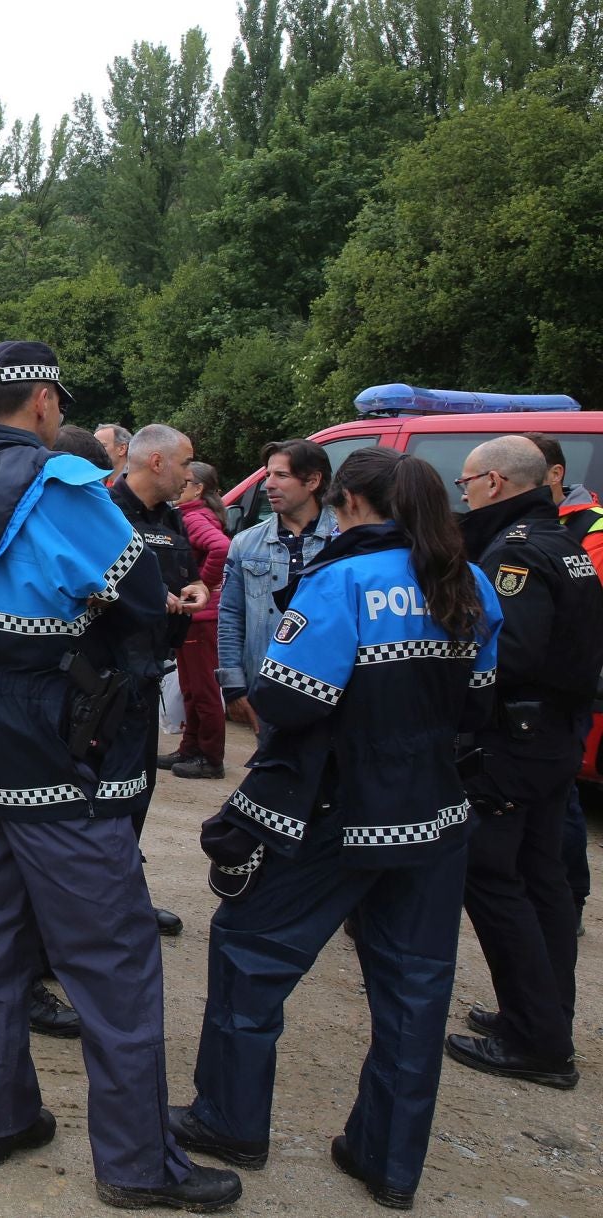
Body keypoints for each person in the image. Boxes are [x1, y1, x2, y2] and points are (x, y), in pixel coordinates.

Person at [0, 340, 240, 1213]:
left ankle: (1, 1116)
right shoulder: (61, 487)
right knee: (112, 955)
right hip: (55, 737)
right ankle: (140, 1163)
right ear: (45, 403)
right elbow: (139, 596)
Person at [174, 446, 501, 1211]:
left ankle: (230, 1121)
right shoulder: (471, 582)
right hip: (436, 819)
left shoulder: (341, 581)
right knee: (415, 992)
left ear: (348, 502)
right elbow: (480, 704)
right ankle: (388, 1161)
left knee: (251, 956)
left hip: (335, 815)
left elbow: (289, 702)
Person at [449, 436, 603, 1090]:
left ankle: (537, 1041)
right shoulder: (565, 544)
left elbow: (507, 654)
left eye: (465, 483)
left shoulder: (514, 552)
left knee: (491, 875)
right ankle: (542, 1018)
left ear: (493, 482)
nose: (462, 495)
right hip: (554, 737)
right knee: (543, 880)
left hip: (516, 740)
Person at [110, 424, 209, 937]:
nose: (190, 475)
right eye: (184, 463)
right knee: (104, 797)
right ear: (156, 463)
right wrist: (147, 598)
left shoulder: (171, 518)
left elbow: (187, 571)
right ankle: (92, 909)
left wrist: (192, 589)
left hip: (149, 673)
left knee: (138, 793)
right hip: (105, 681)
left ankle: (126, 897)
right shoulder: (105, 512)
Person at [525, 432, 602, 937]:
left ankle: (568, 895)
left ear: (554, 475)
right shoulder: (540, 527)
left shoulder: (591, 529)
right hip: (545, 683)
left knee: (562, 797)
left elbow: (580, 615)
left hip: (564, 685)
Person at [217, 440, 337, 732]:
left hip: (330, 691)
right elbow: (230, 617)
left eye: (281, 476)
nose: (268, 484)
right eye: (268, 475)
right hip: (269, 692)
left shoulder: (343, 540)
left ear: (313, 480)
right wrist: (233, 687)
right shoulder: (246, 544)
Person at [164, 462, 230, 780]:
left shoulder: (194, 517)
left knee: (203, 689)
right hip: (195, 616)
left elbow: (221, 547)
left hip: (202, 617)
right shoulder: (190, 515)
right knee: (190, 687)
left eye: (185, 481)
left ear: (198, 488)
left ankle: (210, 756)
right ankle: (190, 748)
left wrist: (201, 584)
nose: (178, 485)